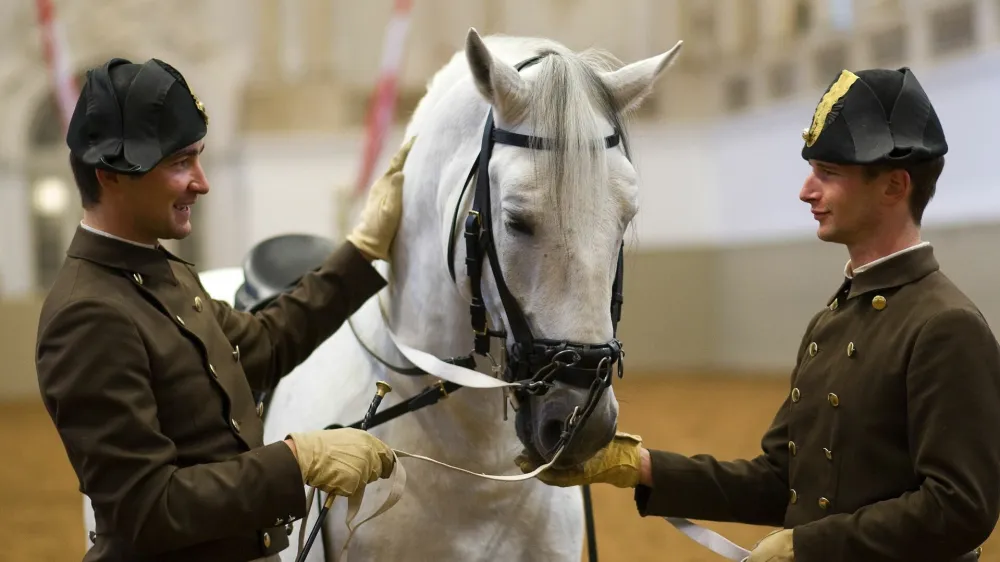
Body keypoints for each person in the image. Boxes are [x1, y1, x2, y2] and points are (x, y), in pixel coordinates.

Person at [517, 66, 1000, 561]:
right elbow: (781, 480)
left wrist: (807, 547)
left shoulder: (945, 326)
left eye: (828, 173)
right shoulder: (832, 322)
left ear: (894, 186)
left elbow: (961, 507)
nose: (806, 191)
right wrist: (635, 466)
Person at [35, 56, 415, 562]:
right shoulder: (87, 315)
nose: (202, 181)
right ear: (111, 175)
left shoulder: (163, 272)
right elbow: (148, 507)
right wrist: (296, 461)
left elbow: (267, 343)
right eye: (179, 163)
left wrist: (363, 250)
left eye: (199, 157)